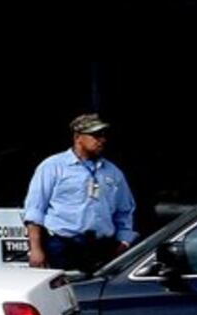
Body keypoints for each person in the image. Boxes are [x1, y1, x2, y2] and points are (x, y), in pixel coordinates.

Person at [23, 113, 137, 275]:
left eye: (103, 135)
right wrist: (35, 249)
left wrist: (124, 242)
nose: (102, 140)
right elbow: (35, 210)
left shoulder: (112, 172)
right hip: (63, 247)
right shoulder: (53, 166)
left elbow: (125, 211)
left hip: (102, 248)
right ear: (78, 137)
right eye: (96, 135)